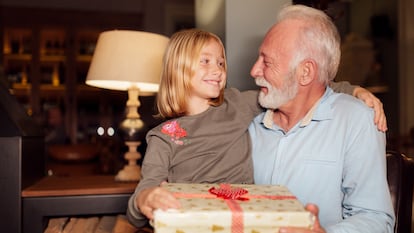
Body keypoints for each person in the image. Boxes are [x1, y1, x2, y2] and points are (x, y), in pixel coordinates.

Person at [126, 29, 387, 228]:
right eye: (205, 61)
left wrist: (352, 90)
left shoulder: (236, 103)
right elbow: (142, 197)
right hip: (193, 223)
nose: (217, 70)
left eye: (220, 62)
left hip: (248, 219)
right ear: (178, 69)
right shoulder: (163, 136)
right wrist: (146, 199)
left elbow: (298, 89)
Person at [248, 5, 394, 233]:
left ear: (305, 72)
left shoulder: (356, 121)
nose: (254, 70)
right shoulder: (249, 122)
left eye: (267, 62)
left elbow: (376, 219)